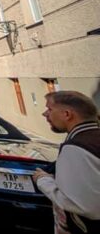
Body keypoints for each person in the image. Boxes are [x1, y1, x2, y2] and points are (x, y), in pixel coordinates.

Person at [32, 91, 100, 234]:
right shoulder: (92, 139)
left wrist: (43, 180)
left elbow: (84, 206)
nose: (44, 114)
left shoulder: (76, 147)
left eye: (50, 109)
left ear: (67, 114)